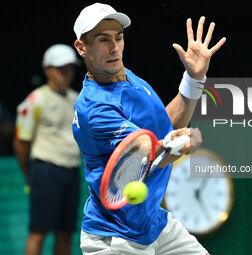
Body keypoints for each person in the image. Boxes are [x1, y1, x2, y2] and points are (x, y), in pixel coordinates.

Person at [72, 3, 226, 255]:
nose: (114, 48)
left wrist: (194, 79)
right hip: (115, 238)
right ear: (81, 47)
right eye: (103, 40)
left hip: (153, 223)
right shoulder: (95, 109)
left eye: (118, 38)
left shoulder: (128, 77)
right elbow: (145, 152)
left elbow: (167, 125)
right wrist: (177, 144)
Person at [13, 44, 81, 255]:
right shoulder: (35, 101)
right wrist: (29, 173)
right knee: (38, 231)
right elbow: (21, 142)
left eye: (70, 68)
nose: (66, 74)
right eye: (61, 69)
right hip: (45, 172)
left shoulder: (77, 99)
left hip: (72, 172)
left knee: (66, 233)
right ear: (47, 70)